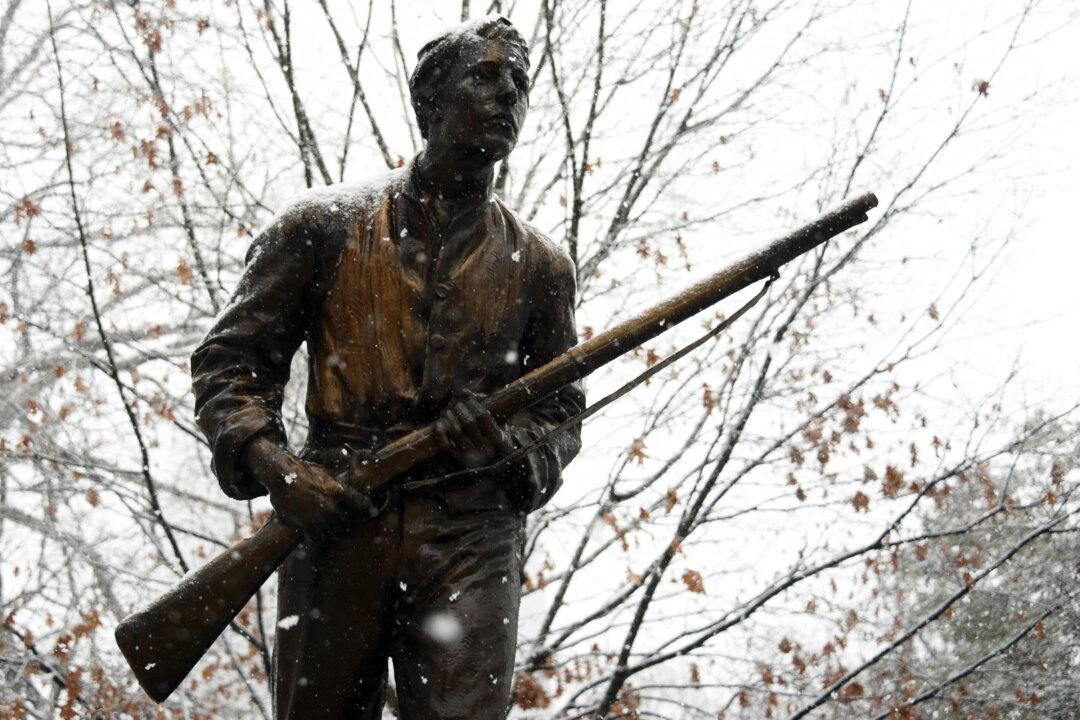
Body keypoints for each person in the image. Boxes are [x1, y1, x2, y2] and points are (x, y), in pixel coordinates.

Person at [190, 15, 583, 720]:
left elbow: (560, 410)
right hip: (340, 513)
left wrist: (506, 448)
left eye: (520, 83)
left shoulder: (543, 267)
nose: (508, 97)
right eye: (486, 77)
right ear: (430, 102)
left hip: (472, 533)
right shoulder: (321, 226)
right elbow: (231, 364)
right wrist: (281, 470)